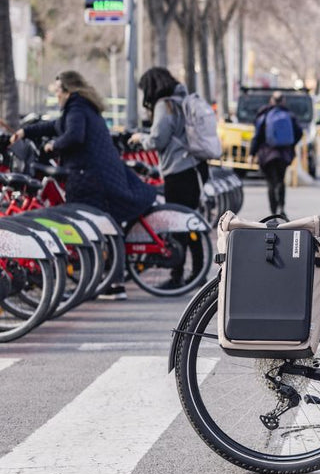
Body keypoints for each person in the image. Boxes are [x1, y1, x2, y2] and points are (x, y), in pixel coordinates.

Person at [4, 70, 157, 300]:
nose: (57, 97)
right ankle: (106, 281)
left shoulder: (76, 108)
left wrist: (53, 147)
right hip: (99, 174)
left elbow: (74, 135)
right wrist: (26, 131)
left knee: (93, 229)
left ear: (68, 90)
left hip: (89, 177)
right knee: (103, 228)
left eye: (57, 92)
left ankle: (111, 283)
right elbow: (56, 125)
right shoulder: (82, 107)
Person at [130, 67, 204, 289]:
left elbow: (158, 139)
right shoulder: (182, 100)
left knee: (177, 221)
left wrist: (139, 138)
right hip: (193, 167)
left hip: (177, 170)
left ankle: (177, 275)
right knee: (189, 220)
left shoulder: (166, 105)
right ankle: (198, 271)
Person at [249, 92, 302, 218]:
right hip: (284, 154)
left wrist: (252, 153)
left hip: (267, 155)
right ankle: (282, 207)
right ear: (283, 101)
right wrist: (290, 144)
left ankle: (273, 211)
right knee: (280, 181)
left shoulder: (265, 115)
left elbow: (257, 136)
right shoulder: (289, 115)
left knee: (271, 183)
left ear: (271, 100)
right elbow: (299, 132)